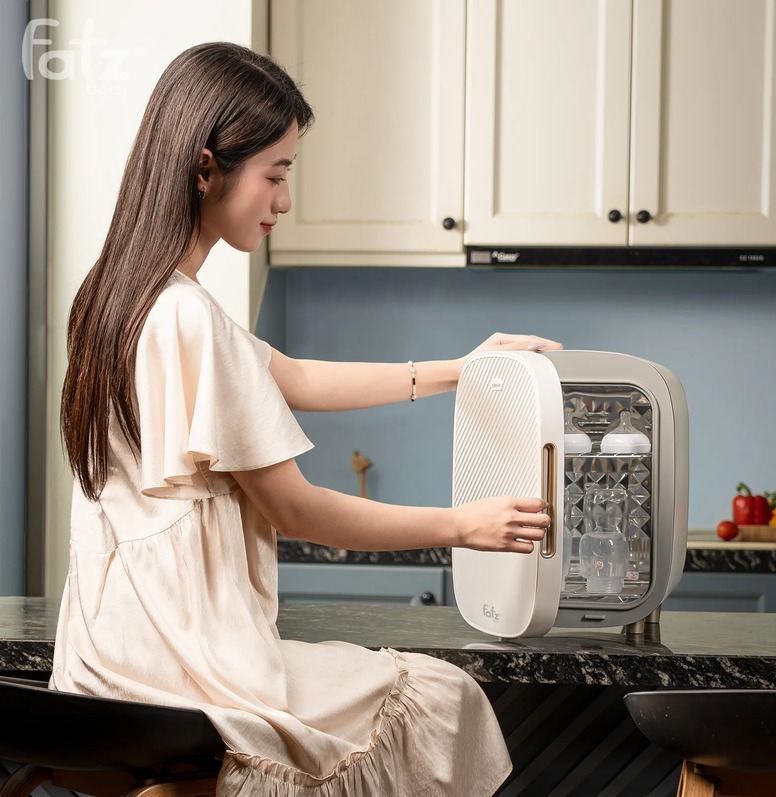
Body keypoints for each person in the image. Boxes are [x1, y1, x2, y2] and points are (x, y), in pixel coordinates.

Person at [51, 41, 562, 797]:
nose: (285, 201)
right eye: (276, 173)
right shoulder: (188, 317)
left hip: (103, 669)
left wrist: (461, 369)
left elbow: (292, 377)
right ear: (205, 168)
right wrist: (463, 524)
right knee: (441, 696)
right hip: (190, 672)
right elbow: (297, 509)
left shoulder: (116, 297)